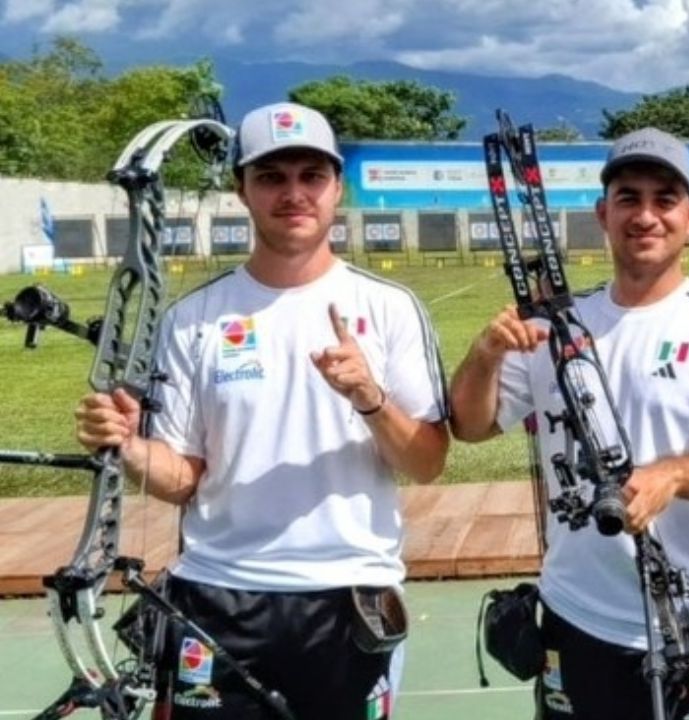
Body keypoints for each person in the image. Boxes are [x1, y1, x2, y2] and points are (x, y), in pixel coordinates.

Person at [74, 101, 450, 719]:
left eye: (311, 176)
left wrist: (370, 399)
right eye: (271, 177)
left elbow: (429, 462)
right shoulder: (194, 319)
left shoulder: (389, 307)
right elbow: (184, 479)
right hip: (218, 600)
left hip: (348, 600)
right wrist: (127, 444)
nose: (293, 194)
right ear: (241, 191)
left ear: (337, 188)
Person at [450, 127, 689, 720]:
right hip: (573, 620)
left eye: (664, 199)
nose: (645, 215)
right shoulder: (555, 326)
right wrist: (485, 353)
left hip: (688, 627)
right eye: (628, 198)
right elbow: (471, 426)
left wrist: (671, 476)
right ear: (603, 213)